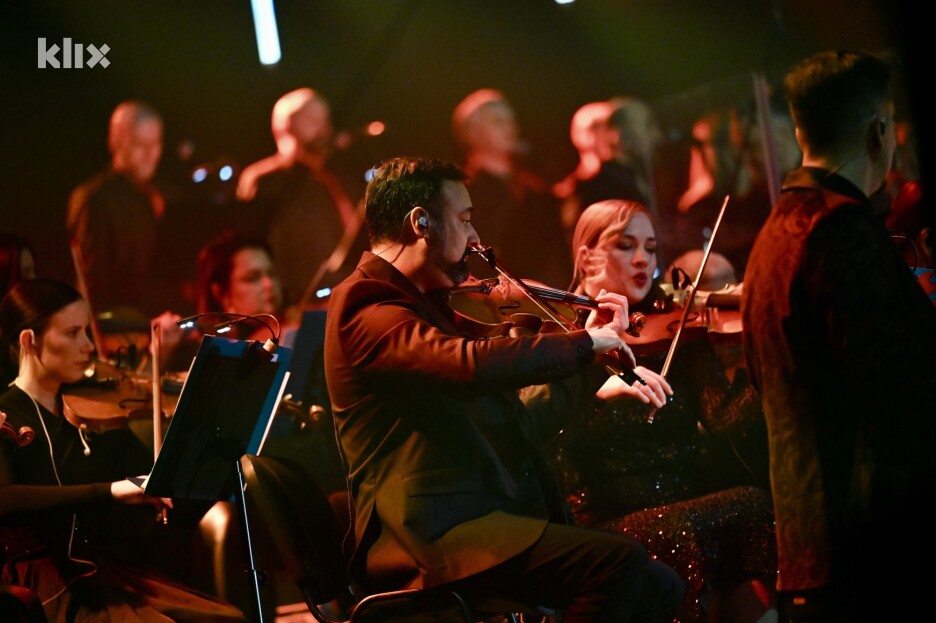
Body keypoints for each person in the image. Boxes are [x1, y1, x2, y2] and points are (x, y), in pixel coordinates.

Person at [323, 156, 683, 622]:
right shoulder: (365, 303)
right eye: (466, 220)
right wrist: (586, 344)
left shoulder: (417, 303)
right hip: (428, 533)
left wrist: (581, 334)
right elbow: (468, 363)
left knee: (661, 587)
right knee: (620, 566)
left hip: (469, 517)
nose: (475, 239)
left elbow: (492, 347)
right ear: (421, 222)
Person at [741, 50, 936, 623]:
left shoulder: (773, 234)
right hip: (871, 553)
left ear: (800, 131)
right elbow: (901, 391)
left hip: (812, 548)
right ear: (882, 131)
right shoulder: (840, 230)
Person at [554, 198, 776, 623]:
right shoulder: (563, 339)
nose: (643, 260)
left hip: (685, 495)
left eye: (651, 248)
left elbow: (724, 419)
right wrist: (598, 392)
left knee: (751, 504)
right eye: (626, 246)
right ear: (587, 257)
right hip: (607, 516)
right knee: (677, 530)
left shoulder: (677, 324)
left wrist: (764, 361)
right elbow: (548, 439)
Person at [0, 278, 245, 622]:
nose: (88, 346)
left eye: (87, 331)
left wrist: (211, 454)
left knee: (228, 618)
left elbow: (161, 491)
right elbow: (5, 499)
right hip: (46, 588)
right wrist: (113, 490)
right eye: (72, 333)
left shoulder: (95, 413)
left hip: (108, 575)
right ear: (30, 340)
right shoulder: (6, 414)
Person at [236, 88, 364, 312]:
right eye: (314, 121)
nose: (327, 129)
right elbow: (258, 253)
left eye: (326, 120)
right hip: (302, 308)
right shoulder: (265, 180)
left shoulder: (338, 177)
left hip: (350, 298)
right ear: (286, 127)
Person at [451, 88, 572, 288]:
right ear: (472, 133)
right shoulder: (466, 193)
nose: (511, 127)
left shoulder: (533, 187)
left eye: (511, 120)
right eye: (498, 122)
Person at [66, 100, 166, 323]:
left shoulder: (152, 197)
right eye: (141, 144)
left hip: (145, 321)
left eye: (157, 143)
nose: (151, 154)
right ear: (115, 142)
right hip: (114, 328)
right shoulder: (93, 198)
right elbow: (92, 282)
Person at [159, 229, 283, 372]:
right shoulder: (199, 348)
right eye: (252, 278)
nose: (269, 284)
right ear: (220, 293)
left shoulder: (282, 330)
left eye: (272, 273)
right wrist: (161, 354)